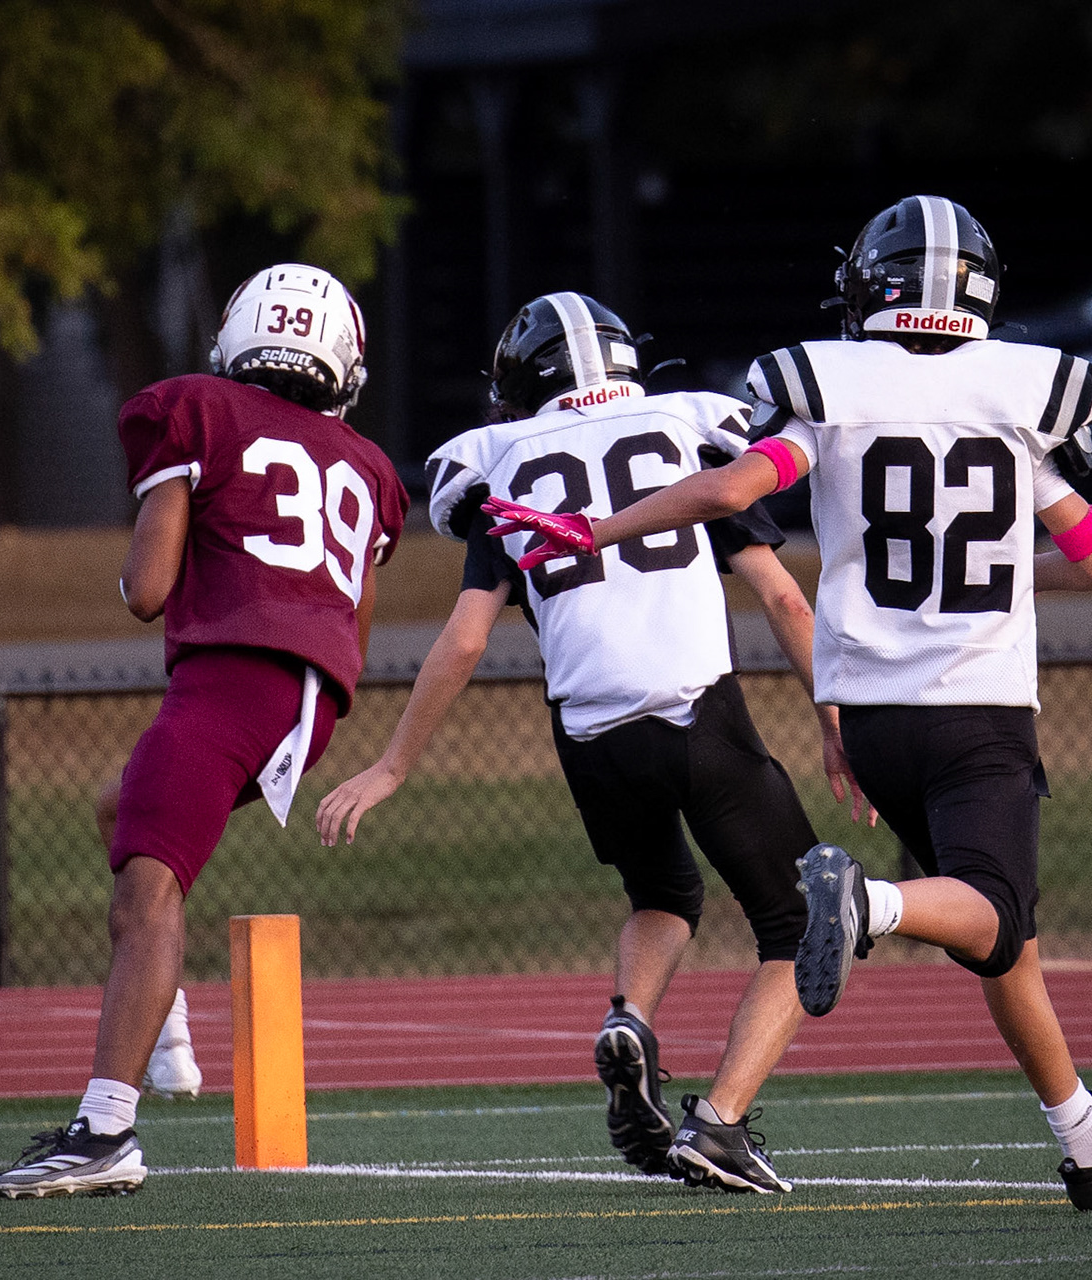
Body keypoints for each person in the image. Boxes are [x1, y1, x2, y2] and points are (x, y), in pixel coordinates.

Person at [483, 198, 1092, 1213]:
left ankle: (1084, 1135)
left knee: (998, 935)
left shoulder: (829, 391)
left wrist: (600, 529)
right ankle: (872, 905)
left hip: (874, 718)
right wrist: (1009, 568)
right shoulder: (1016, 407)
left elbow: (725, 493)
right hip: (976, 707)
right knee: (993, 905)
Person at [317, 292, 871, 1194]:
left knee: (665, 893)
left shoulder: (505, 469)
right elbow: (785, 600)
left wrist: (391, 765)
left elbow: (463, 639)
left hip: (589, 733)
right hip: (701, 714)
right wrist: (833, 719)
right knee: (804, 920)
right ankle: (721, 1124)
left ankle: (630, 1020)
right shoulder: (688, 437)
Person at [0, 264, 408, 1197]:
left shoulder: (199, 410)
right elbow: (355, 628)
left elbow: (147, 591)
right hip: (313, 702)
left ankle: (105, 1132)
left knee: (146, 896)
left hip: (235, 677)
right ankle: (164, 1028)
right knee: (123, 813)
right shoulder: (370, 467)